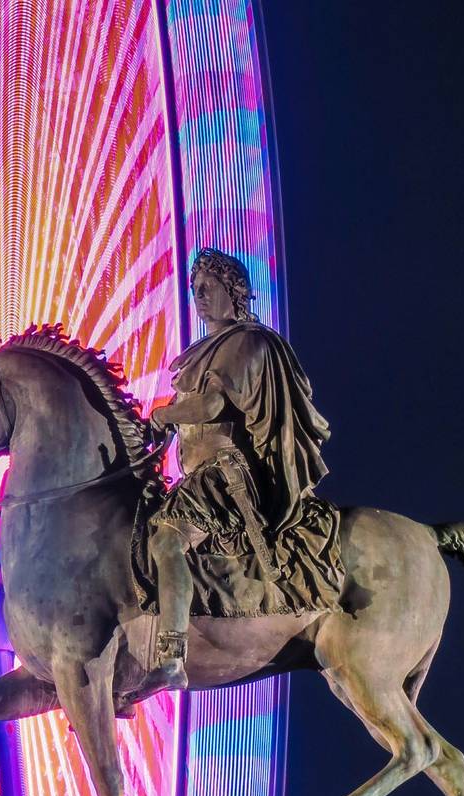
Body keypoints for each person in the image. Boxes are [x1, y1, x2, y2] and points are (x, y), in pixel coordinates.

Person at [141, 247, 335, 694]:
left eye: (209, 287)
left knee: (168, 537)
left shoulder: (247, 342)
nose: (199, 295)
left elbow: (210, 406)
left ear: (236, 293)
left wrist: (163, 415)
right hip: (194, 473)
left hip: (226, 474)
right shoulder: (201, 352)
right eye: (194, 289)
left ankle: (171, 656)